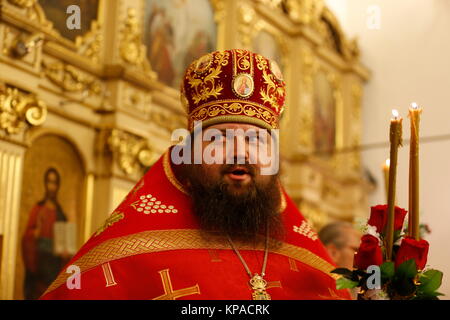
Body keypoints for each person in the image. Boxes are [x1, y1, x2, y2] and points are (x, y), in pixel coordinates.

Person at [40, 49, 351, 300]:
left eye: (257, 140)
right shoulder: (128, 252)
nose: (240, 152)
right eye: (219, 139)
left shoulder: (307, 257)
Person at [22, 167, 69, 300]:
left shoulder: (61, 214)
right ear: (45, 184)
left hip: (54, 265)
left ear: (58, 186)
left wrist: (65, 252)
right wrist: (34, 234)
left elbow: (65, 243)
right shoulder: (38, 209)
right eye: (49, 182)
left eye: (54, 183)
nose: (52, 187)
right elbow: (26, 238)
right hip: (39, 263)